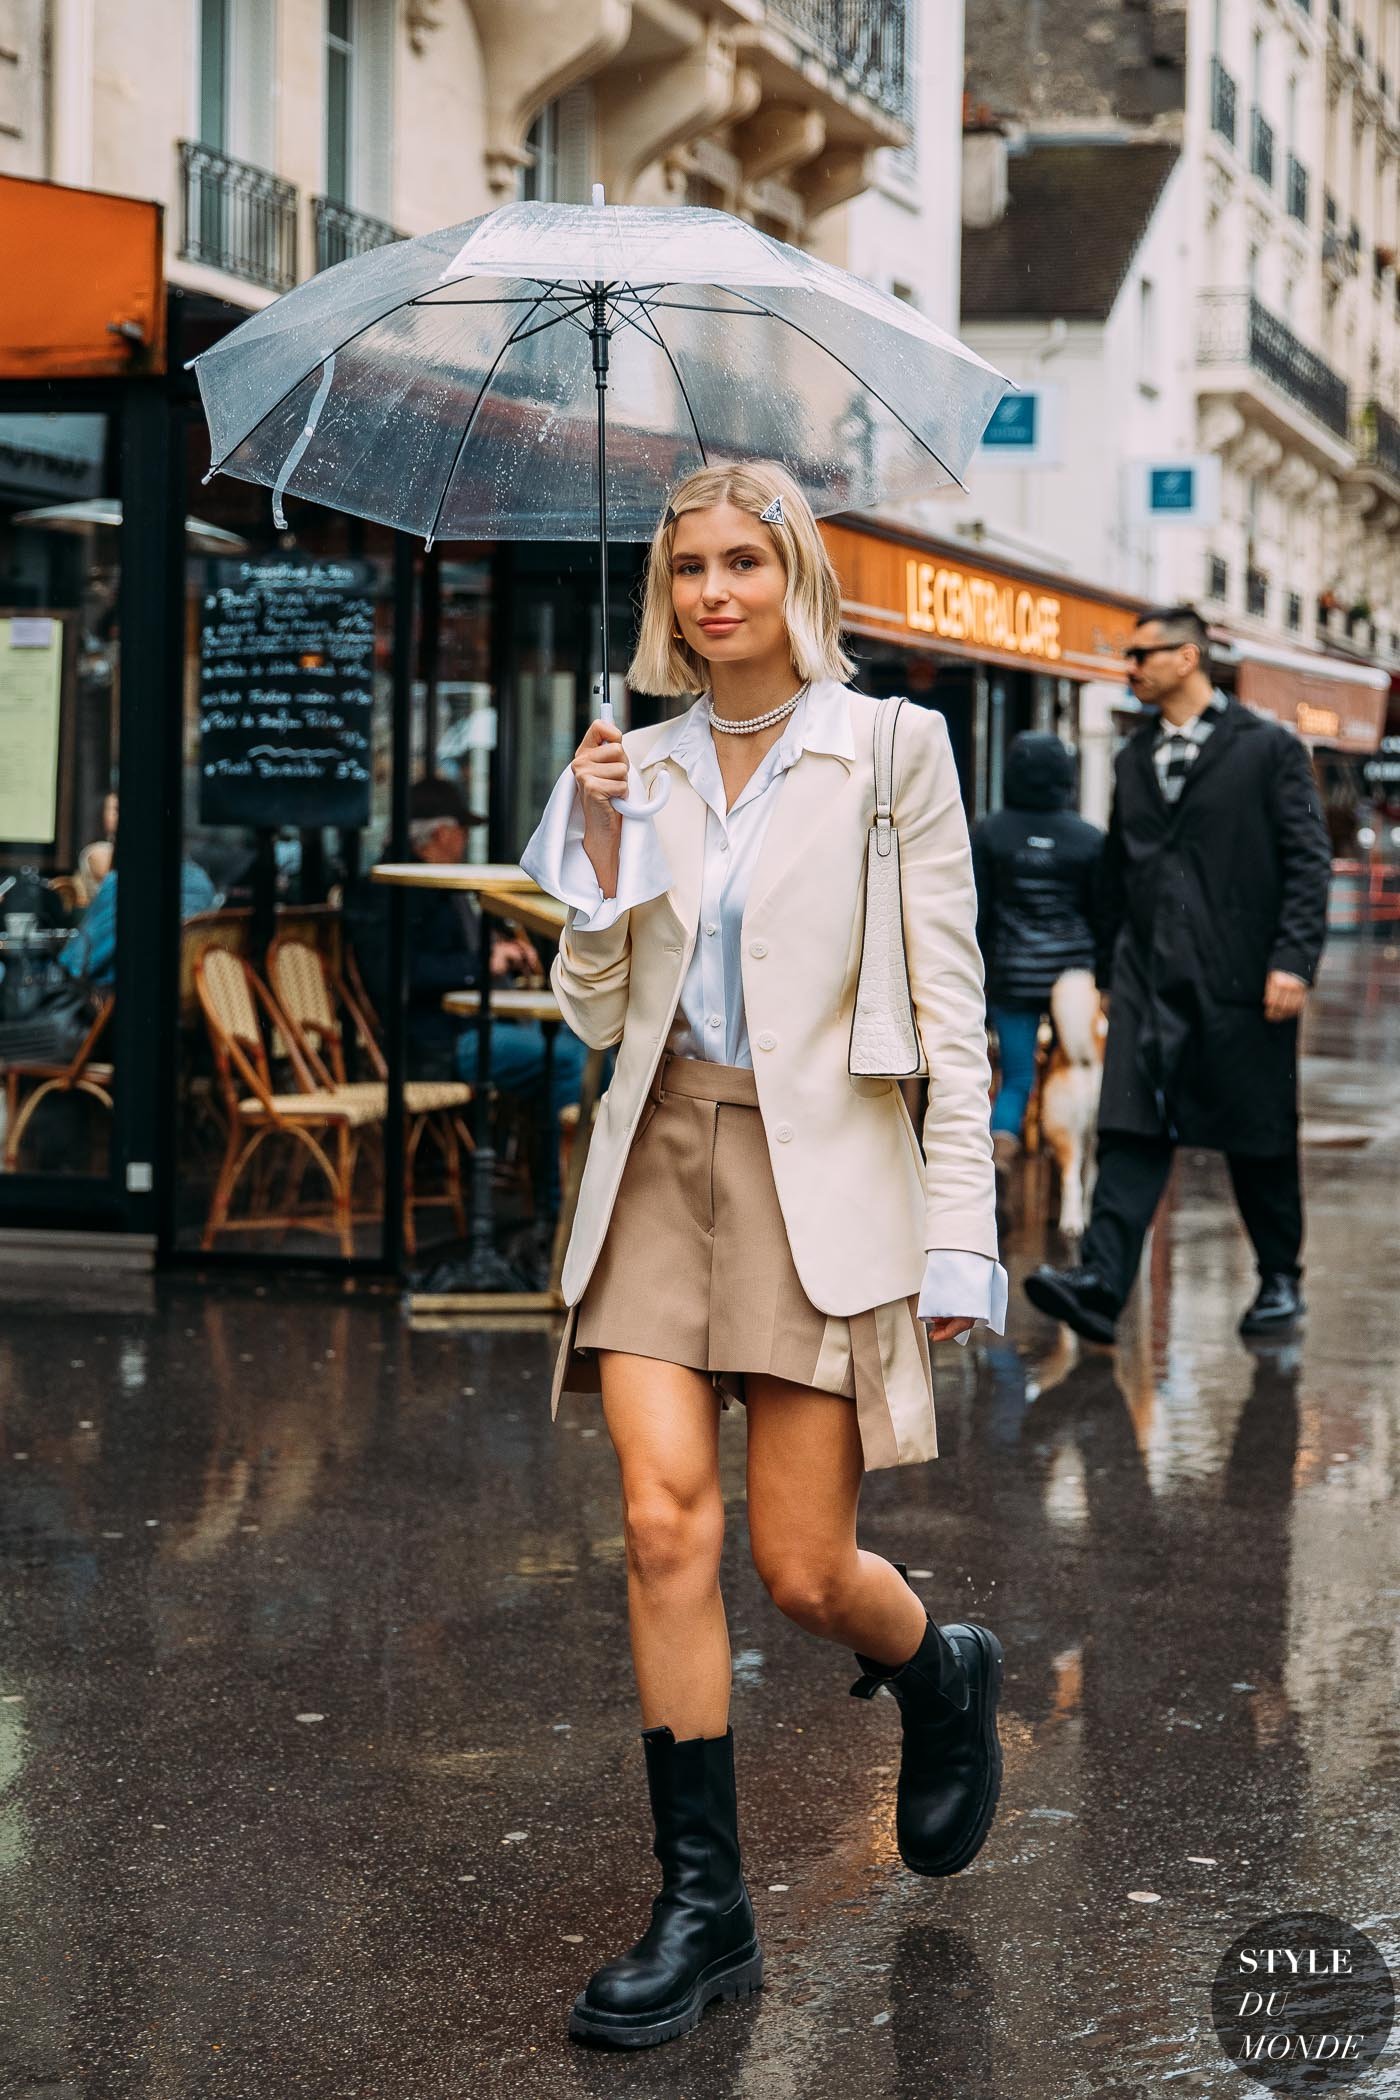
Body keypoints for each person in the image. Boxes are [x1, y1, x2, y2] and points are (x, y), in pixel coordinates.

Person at [520, 461, 1008, 2051]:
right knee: (666, 1527)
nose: (713, 593)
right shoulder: (633, 763)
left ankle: (939, 1671)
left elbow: (951, 1017)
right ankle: (703, 1907)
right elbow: (595, 1013)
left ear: (797, 571)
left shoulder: (891, 751)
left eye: (742, 560)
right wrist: (593, 853)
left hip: (825, 1182)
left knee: (801, 1573)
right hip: (658, 1155)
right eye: (687, 570)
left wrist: (959, 1243)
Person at [1024, 605, 1331, 1346]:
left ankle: (1279, 1281)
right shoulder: (1132, 761)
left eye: (1141, 655)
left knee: (1258, 1137)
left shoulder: (1268, 749)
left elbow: (1306, 860)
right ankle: (1100, 1284)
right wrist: (1105, 970)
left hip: (1242, 982)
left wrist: (1292, 959)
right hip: (1146, 980)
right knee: (1131, 1127)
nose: (1129, 669)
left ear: (1187, 657)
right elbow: (1117, 874)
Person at [347, 777, 588, 1194]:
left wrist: (496, 948)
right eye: (461, 832)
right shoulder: (399, 888)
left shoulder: (439, 881)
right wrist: (481, 964)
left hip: (472, 1028)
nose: (463, 842)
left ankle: (570, 1186)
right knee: (570, 1060)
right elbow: (399, 972)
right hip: (440, 1041)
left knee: (586, 1044)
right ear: (440, 833)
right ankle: (558, 1198)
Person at [971, 732, 1103, 1188]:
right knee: (1076, 1068)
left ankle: (1002, 1151)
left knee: (1017, 1075)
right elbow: (1101, 913)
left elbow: (979, 911)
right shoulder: (1089, 840)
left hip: (1011, 977)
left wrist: (980, 973)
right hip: (1074, 979)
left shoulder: (989, 833)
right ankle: (1065, 1163)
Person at [60, 854, 217, 987]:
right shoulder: (203, 883)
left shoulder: (122, 884)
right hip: (189, 999)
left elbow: (76, 964)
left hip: (128, 1003)